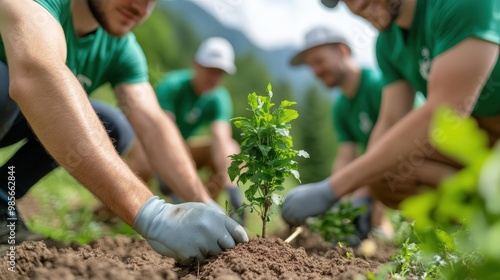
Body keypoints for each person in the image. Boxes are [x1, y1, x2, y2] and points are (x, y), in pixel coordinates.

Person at [0, 0, 248, 263]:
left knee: (112, 125)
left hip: (19, 116)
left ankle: (2, 195)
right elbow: (35, 74)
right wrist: (151, 215)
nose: (142, 8)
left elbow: (153, 125)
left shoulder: (119, 46)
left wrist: (203, 204)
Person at [282, 0, 499, 227]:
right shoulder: (387, 43)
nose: (356, 6)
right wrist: (361, 195)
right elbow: (389, 123)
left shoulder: (460, 4)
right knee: (385, 178)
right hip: (470, 134)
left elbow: (445, 111)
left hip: (475, 125)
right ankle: (475, 223)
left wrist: (332, 188)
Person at [289, 26, 392, 243]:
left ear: (343, 51)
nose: (315, 71)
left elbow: (393, 150)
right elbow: (346, 156)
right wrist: (335, 197)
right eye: (310, 66)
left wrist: (364, 196)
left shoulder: (377, 86)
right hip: (382, 174)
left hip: (417, 160)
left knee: (375, 221)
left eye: (319, 61)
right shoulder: (341, 108)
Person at [127, 37, 245, 223]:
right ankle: (131, 210)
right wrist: (167, 173)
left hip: (186, 147)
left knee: (231, 149)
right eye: (209, 70)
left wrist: (233, 189)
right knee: (142, 159)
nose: (213, 77)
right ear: (196, 65)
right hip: (154, 146)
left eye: (219, 73)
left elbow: (221, 139)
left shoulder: (219, 99)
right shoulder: (173, 85)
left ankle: (202, 212)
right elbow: (161, 132)